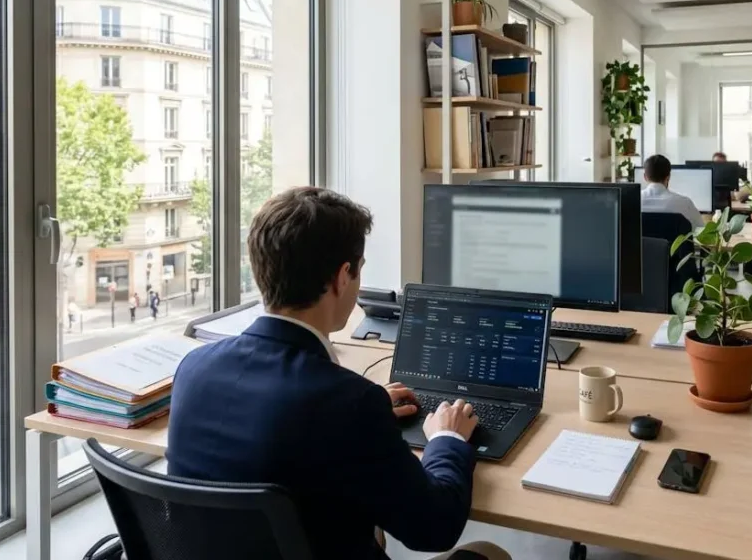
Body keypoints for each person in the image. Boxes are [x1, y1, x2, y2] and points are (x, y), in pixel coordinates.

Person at [167, 187, 510, 560]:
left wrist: (369, 406)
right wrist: (447, 439)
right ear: (342, 277)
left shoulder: (193, 369)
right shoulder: (349, 403)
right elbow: (435, 527)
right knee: (490, 552)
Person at [640, 154, 703, 229]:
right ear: (668, 176)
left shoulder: (632, 202)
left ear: (645, 177)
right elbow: (702, 232)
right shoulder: (685, 203)